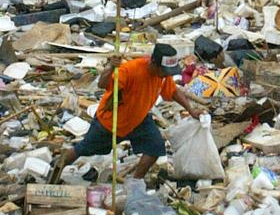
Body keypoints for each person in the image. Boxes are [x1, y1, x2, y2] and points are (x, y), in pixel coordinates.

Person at [50, 43, 202, 183]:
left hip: (139, 119)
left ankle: (136, 182)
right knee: (83, 148)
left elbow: (173, 92)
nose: (166, 74)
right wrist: (110, 67)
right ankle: (55, 171)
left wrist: (190, 110)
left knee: (155, 147)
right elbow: (103, 84)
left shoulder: (163, 76)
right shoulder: (130, 70)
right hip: (111, 121)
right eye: (164, 71)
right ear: (153, 63)